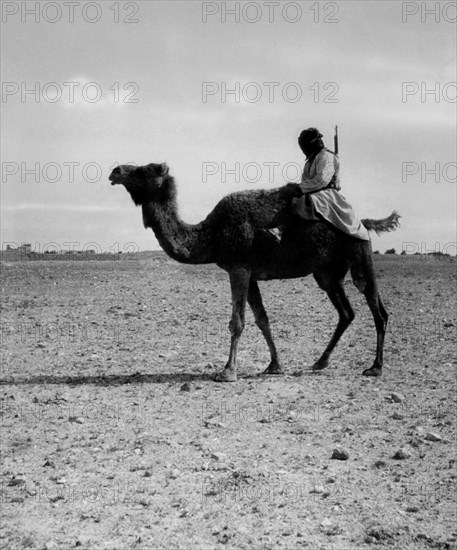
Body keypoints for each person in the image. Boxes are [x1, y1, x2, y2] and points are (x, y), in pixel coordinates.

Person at [294, 127, 370, 241]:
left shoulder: (326, 156)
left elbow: (321, 181)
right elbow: (305, 182)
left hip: (328, 195)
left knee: (302, 202)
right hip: (313, 193)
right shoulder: (309, 163)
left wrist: (299, 189)